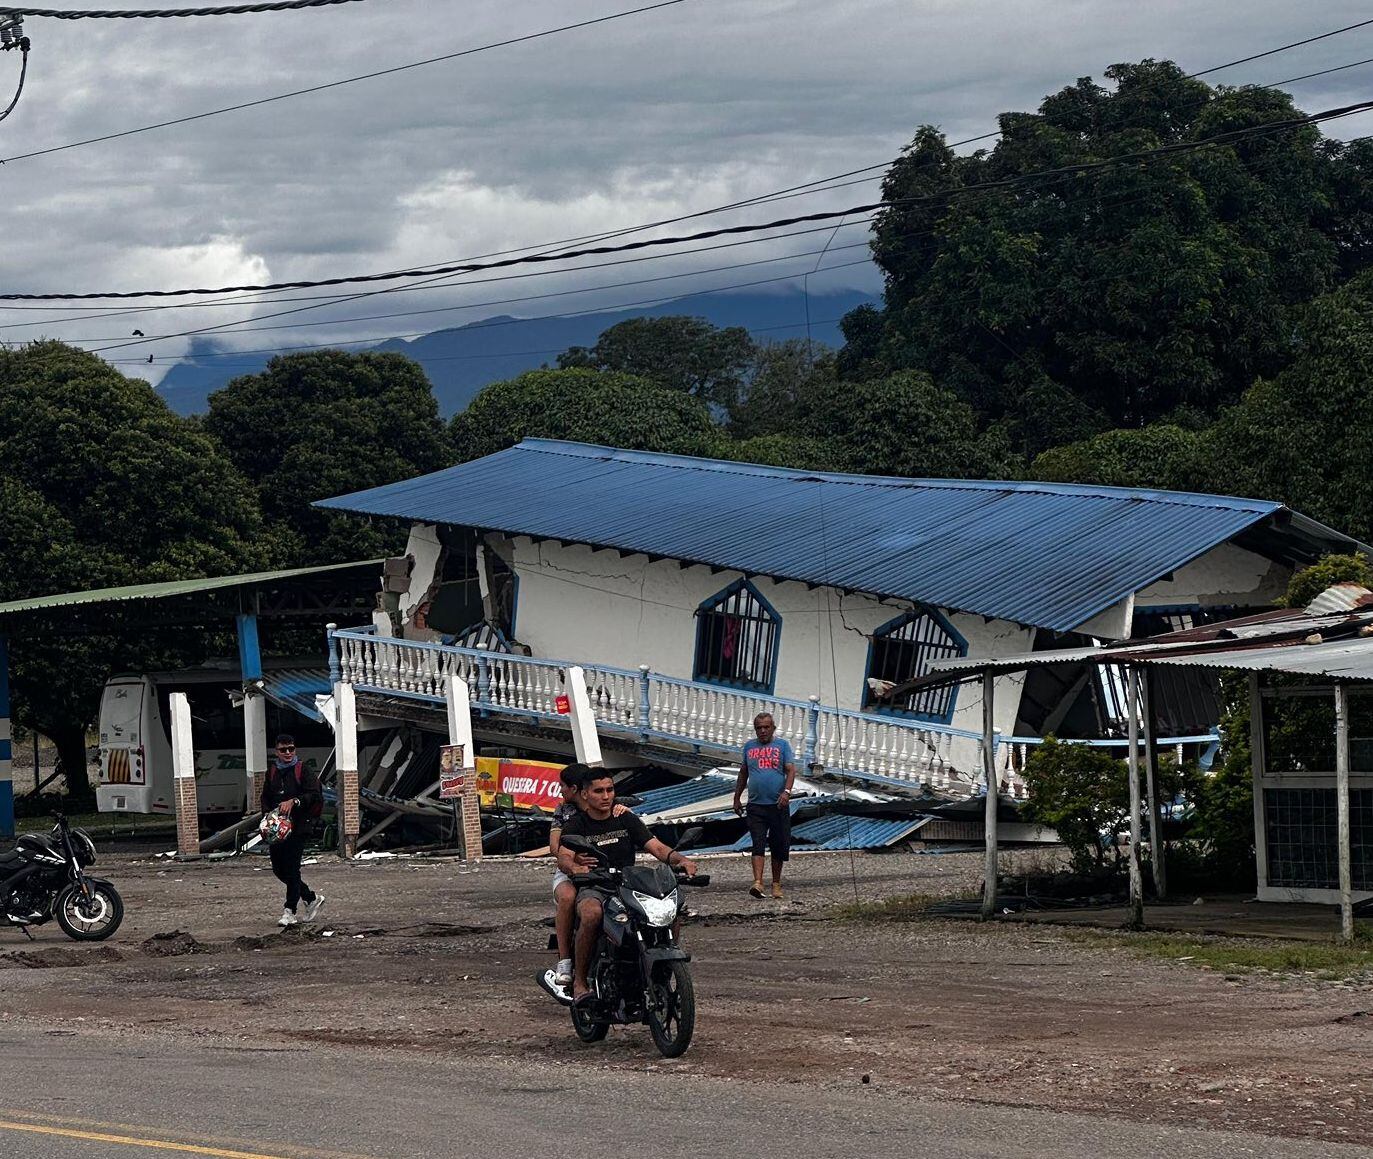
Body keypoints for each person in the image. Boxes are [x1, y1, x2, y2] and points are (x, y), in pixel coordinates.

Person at [557, 770, 696, 1006]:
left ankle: (659, 971)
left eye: (610, 790)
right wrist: (574, 868)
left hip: (627, 885)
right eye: (598, 791)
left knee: (670, 913)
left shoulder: (626, 818)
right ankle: (580, 981)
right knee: (591, 914)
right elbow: (564, 856)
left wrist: (681, 860)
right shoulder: (576, 824)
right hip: (595, 886)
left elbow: (657, 848)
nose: (606, 796)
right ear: (585, 794)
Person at [540, 763, 632, 1003]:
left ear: (575, 788)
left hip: (604, 873)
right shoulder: (565, 812)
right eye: (599, 791)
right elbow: (555, 848)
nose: (560, 791)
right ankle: (565, 962)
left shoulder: (613, 807)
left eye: (563, 786)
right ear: (586, 792)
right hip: (570, 872)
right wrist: (575, 858)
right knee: (570, 898)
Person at [260, 733, 324, 928]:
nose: (288, 753)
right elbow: (265, 796)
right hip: (278, 829)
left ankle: (289, 911)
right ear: (276, 751)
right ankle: (311, 898)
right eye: (283, 750)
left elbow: (314, 795)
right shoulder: (272, 772)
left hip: (299, 826)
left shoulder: (303, 769)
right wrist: (268, 817)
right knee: (279, 870)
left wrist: (294, 801)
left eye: (291, 749)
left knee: (292, 868)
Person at [732, 712, 796, 899]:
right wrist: (737, 798)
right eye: (759, 727)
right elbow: (743, 773)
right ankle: (758, 882)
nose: (762, 731)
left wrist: (787, 792)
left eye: (766, 727)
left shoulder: (782, 745)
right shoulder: (749, 747)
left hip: (777, 804)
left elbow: (791, 770)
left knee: (778, 844)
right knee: (757, 843)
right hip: (755, 804)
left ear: (773, 728)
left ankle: (776, 883)